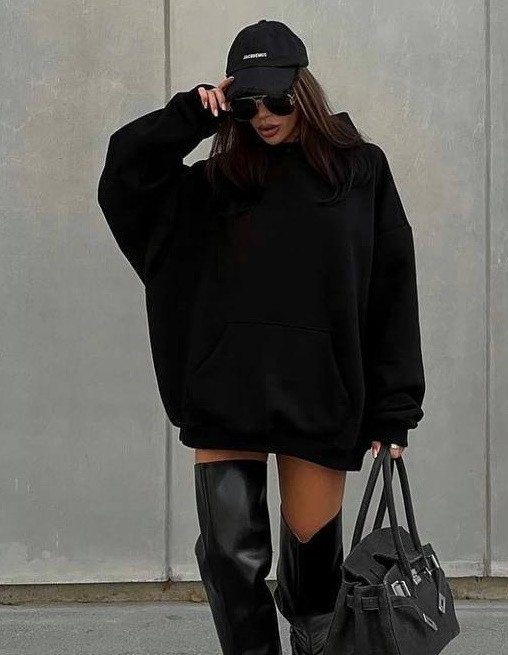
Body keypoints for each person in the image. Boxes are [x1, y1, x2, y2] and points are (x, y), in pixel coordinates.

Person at [97, 18, 425, 655]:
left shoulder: (360, 171)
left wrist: (395, 408)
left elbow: (391, 287)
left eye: (277, 98)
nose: (264, 115)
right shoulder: (215, 184)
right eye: (246, 103)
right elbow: (124, 177)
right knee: (231, 566)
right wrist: (191, 115)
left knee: (314, 586)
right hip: (228, 390)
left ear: (304, 89)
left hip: (320, 393)